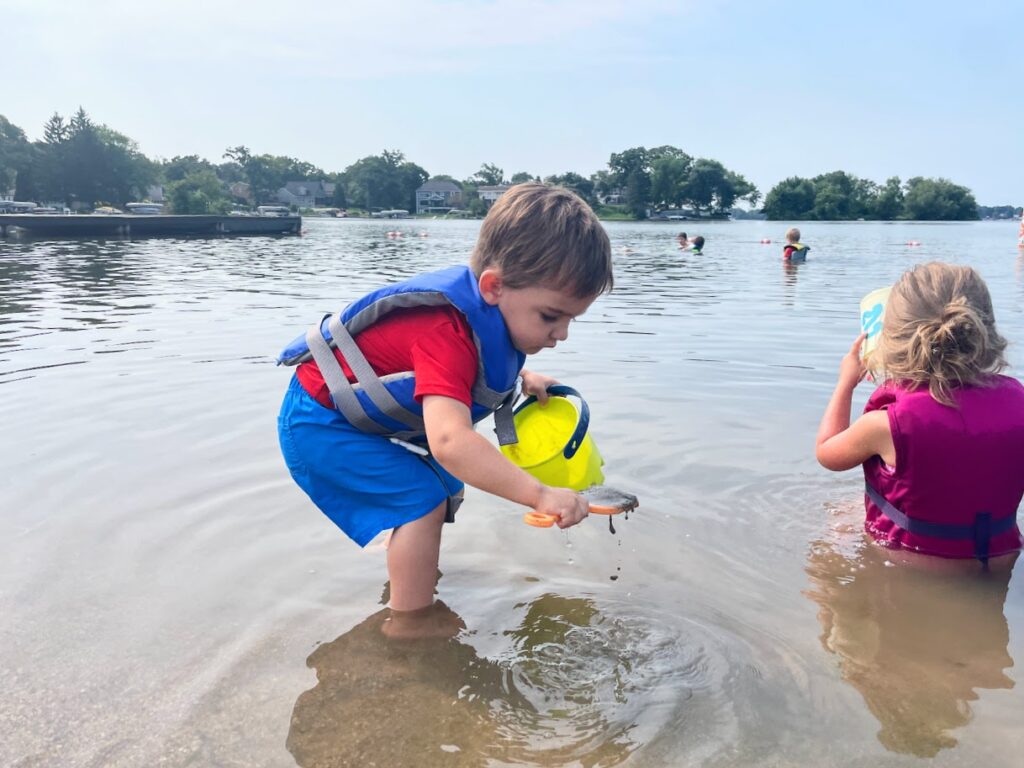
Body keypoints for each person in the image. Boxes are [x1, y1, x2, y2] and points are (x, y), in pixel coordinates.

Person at [277, 183, 614, 612]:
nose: (562, 333)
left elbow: (471, 363)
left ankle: (404, 554)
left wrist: (524, 375)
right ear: (493, 288)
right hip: (319, 421)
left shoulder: (484, 317)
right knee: (422, 500)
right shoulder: (444, 334)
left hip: (353, 417)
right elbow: (451, 442)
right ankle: (409, 624)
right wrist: (540, 495)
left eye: (571, 319)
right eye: (550, 316)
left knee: (436, 491)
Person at [815, 262, 1024, 565]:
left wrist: (845, 382)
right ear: (986, 331)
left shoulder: (886, 424)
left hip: (910, 561)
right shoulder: (1019, 404)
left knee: (837, 521)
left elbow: (826, 452)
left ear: (893, 341)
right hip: (1000, 555)